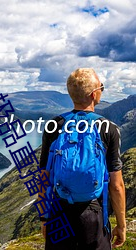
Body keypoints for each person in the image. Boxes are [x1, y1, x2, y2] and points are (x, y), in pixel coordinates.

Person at [38, 68, 126, 250]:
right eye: (102, 87)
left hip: (59, 212)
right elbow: (116, 185)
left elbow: (45, 178)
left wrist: (44, 218)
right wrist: (121, 225)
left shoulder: (54, 125)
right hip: (93, 214)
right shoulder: (108, 129)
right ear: (94, 94)